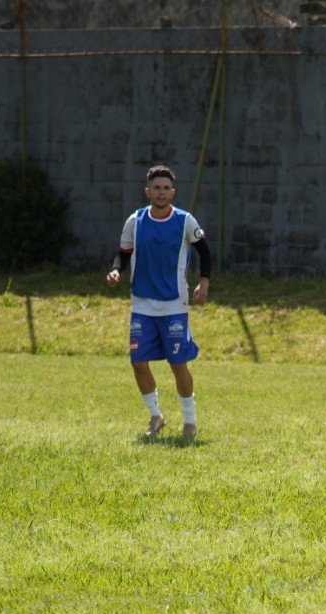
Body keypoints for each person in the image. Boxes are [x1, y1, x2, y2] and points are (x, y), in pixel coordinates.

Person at [106, 165, 211, 440]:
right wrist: (116, 270)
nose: (161, 193)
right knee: (138, 362)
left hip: (174, 305)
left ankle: (190, 421)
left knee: (178, 364)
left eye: (166, 188)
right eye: (156, 188)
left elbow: (204, 252)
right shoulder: (135, 220)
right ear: (147, 191)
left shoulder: (185, 221)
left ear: (172, 192)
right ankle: (156, 416)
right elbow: (123, 253)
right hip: (142, 304)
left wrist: (204, 283)